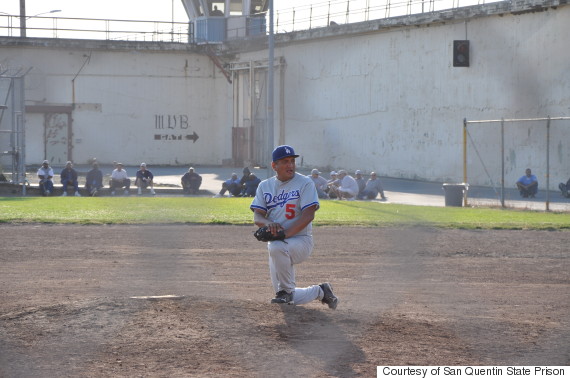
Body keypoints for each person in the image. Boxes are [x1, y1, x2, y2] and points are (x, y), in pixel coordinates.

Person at [250, 144, 339, 309]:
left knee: (277, 249)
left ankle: (287, 292)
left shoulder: (304, 183)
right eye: (284, 161)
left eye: (292, 161)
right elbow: (257, 216)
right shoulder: (265, 186)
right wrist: (269, 224)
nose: (290, 165)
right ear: (274, 166)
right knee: (285, 296)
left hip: (301, 240)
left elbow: (308, 215)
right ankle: (321, 291)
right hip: (277, 244)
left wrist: (285, 234)